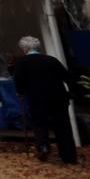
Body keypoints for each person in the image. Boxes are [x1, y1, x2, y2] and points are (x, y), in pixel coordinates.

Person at [14, 36, 77, 165]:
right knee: (63, 126)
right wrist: (71, 93)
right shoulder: (51, 60)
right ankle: (69, 156)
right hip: (58, 97)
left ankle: (43, 146)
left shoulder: (22, 62)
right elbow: (67, 77)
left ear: (24, 48)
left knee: (39, 123)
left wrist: (20, 92)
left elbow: (19, 81)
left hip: (37, 98)